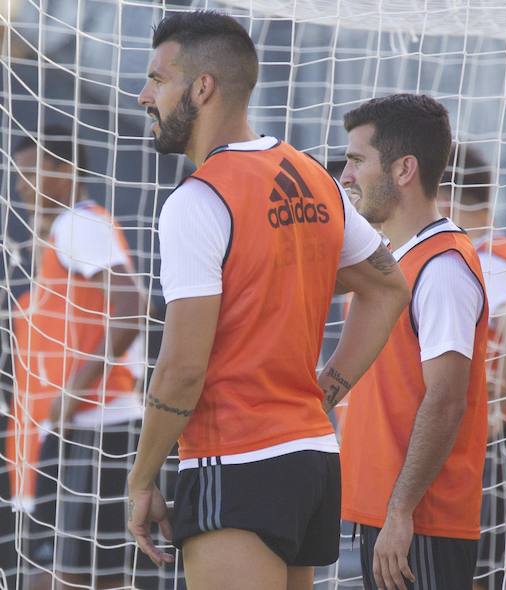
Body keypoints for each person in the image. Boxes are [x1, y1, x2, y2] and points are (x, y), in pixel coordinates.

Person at [126, 11, 409, 590]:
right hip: (310, 455)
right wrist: (328, 388)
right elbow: (388, 286)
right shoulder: (313, 176)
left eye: (157, 79)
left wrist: (142, 477)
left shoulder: (197, 199)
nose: (143, 95)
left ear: (202, 87)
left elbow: (182, 369)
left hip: (235, 459)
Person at [334, 94, 489, 590]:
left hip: (422, 524)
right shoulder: (391, 262)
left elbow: (446, 401)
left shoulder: (441, 267)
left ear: (404, 169)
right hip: (387, 514)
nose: (345, 175)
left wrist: (400, 510)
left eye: (358, 160)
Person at [9, 125, 144, 589]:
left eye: (31, 173)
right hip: (82, 428)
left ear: (65, 171)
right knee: (89, 579)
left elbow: (131, 309)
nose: (21, 186)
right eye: (17, 175)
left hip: (91, 428)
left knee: (55, 579)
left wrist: (72, 393)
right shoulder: (62, 237)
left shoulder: (78, 224)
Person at [437, 147, 506, 590]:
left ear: (446, 198)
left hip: (495, 442)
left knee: (480, 570)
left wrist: (494, 407)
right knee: (496, 568)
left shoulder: (484, 257)